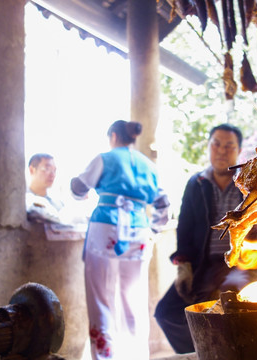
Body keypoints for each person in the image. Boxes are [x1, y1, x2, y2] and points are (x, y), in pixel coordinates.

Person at [154, 124, 257, 354]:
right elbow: (185, 228)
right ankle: (202, 353)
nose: (221, 151)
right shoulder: (196, 184)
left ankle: (231, 353)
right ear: (209, 147)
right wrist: (184, 266)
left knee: (225, 309)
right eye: (216, 144)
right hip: (205, 266)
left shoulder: (249, 184)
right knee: (167, 313)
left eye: (229, 146)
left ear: (239, 150)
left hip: (242, 264)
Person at [71, 120, 169, 360]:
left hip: (106, 228)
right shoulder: (149, 166)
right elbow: (164, 206)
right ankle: (136, 356)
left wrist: (82, 192)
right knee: (133, 300)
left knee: (101, 298)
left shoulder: (105, 158)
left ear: (113, 136)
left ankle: (105, 357)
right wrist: (153, 230)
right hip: (138, 231)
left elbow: (78, 188)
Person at [26, 153, 64, 223]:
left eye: (54, 170)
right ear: (32, 170)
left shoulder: (58, 205)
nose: (52, 174)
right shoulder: (24, 201)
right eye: (47, 169)